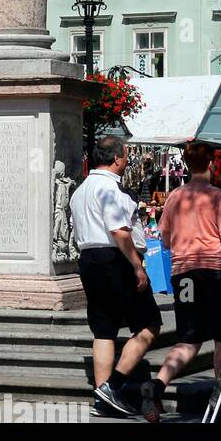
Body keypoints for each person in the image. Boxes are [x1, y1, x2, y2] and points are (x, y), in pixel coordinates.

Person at [141, 140, 221, 422]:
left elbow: (166, 239)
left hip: (184, 273)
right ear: (210, 164)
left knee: (188, 339)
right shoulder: (219, 197)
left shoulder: (174, 197)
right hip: (216, 272)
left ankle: (156, 385)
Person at [68, 135, 162, 418]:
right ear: (118, 158)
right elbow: (119, 231)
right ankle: (114, 384)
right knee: (149, 324)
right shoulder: (109, 189)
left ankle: (101, 397)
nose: (126, 160)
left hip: (89, 258)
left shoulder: (80, 190)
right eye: (125, 155)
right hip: (114, 259)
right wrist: (136, 265)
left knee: (104, 329)